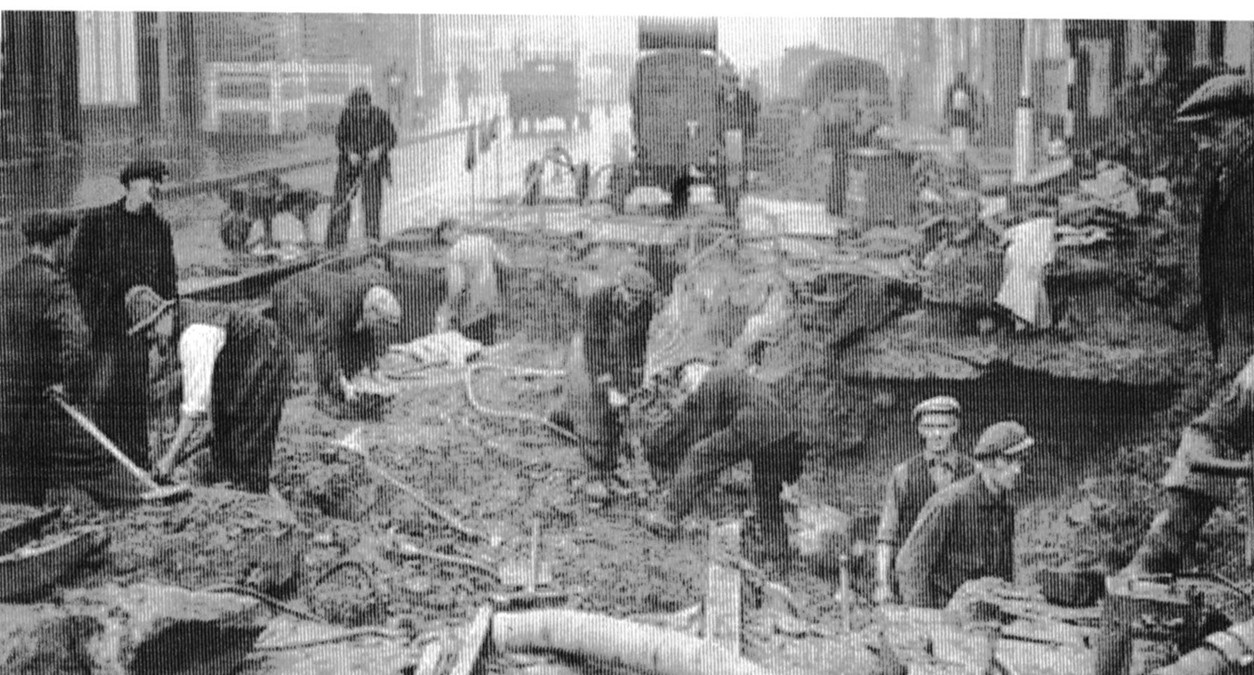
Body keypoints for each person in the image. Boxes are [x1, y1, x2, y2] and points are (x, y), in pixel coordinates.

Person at [638, 346, 804, 563]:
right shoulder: (734, 378)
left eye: (686, 383)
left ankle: (668, 518)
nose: (688, 389)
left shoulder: (712, 380)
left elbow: (700, 434)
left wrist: (672, 459)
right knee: (766, 494)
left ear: (695, 372)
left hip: (754, 425)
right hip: (783, 432)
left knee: (700, 456)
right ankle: (777, 554)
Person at [127, 285, 293, 494]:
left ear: (165, 313)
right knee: (227, 446)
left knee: (246, 452)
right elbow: (206, 388)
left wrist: (168, 461)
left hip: (269, 355)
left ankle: (258, 504)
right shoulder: (181, 321)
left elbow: (193, 412)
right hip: (244, 365)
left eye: (151, 327)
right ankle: (243, 490)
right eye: (145, 332)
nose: (150, 336)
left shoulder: (193, 336)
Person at [68, 158, 178, 470]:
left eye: (160, 181)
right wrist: (99, 306)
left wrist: (165, 321)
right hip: (103, 327)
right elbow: (76, 275)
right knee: (101, 395)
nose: (156, 187)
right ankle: (100, 466)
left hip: (139, 330)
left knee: (135, 398)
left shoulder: (159, 229)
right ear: (131, 182)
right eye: (150, 180)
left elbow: (169, 282)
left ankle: (137, 465)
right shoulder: (98, 221)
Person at [0, 213, 91, 503]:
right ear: (60, 241)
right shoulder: (54, 285)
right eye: (71, 243)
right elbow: (78, 341)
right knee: (33, 487)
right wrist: (67, 383)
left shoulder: (5, 281)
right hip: (35, 405)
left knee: (9, 488)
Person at [896, 421, 1033, 609]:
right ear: (987, 461)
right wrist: (927, 622)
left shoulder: (1005, 509)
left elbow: (1003, 578)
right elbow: (909, 568)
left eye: (1021, 460)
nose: (1017, 470)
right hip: (943, 621)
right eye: (1008, 460)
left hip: (982, 622)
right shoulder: (949, 503)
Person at [549, 265, 658, 501]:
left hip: (619, 350)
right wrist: (607, 386)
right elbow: (594, 347)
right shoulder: (598, 300)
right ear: (620, 288)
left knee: (618, 413)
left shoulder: (645, 308)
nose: (634, 303)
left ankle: (610, 470)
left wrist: (632, 382)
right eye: (631, 295)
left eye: (640, 298)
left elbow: (638, 346)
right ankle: (593, 475)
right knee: (593, 405)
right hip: (588, 350)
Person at [873, 395, 975, 605]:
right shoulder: (903, 474)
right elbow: (887, 535)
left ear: (955, 427)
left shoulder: (974, 473)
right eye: (929, 427)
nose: (937, 434)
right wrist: (882, 584)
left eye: (944, 426)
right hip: (914, 583)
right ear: (920, 430)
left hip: (962, 585)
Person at [270, 268, 402, 406]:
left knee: (350, 353)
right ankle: (316, 391)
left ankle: (336, 380)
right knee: (312, 343)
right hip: (290, 295)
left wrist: (377, 373)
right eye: (380, 323)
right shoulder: (343, 306)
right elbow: (325, 344)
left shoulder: (366, 299)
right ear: (373, 312)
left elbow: (367, 337)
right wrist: (343, 383)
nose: (380, 330)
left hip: (312, 293)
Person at [326, 86, 398, 250]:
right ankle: (337, 241)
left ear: (368, 105)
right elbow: (340, 139)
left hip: (372, 165)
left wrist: (379, 150)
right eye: (355, 109)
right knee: (341, 200)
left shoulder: (380, 116)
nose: (359, 112)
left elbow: (392, 137)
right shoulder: (347, 116)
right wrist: (349, 152)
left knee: (372, 203)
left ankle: (372, 241)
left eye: (362, 108)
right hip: (351, 164)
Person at [434, 218, 510, 345]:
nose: (446, 244)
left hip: (471, 311)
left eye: (443, 240)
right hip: (490, 305)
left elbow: (457, 285)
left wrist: (449, 310)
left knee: (471, 349)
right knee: (489, 345)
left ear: (447, 231)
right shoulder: (485, 241)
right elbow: (506, 264)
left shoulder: (455, 252)